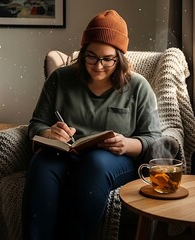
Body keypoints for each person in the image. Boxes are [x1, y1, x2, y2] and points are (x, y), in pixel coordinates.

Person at [22, 9, 162, 240]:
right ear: (83, 53)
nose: (98, 65)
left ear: (120, 58)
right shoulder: (60, 79)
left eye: (107, 59)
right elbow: (36, 124)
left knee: (95, 163)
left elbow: (152, 138)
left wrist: (127, 144)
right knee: (41, 163)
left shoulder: (138, 86)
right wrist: (49, 132)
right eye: (91, 56)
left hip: (114, 159)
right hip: (65, 153)